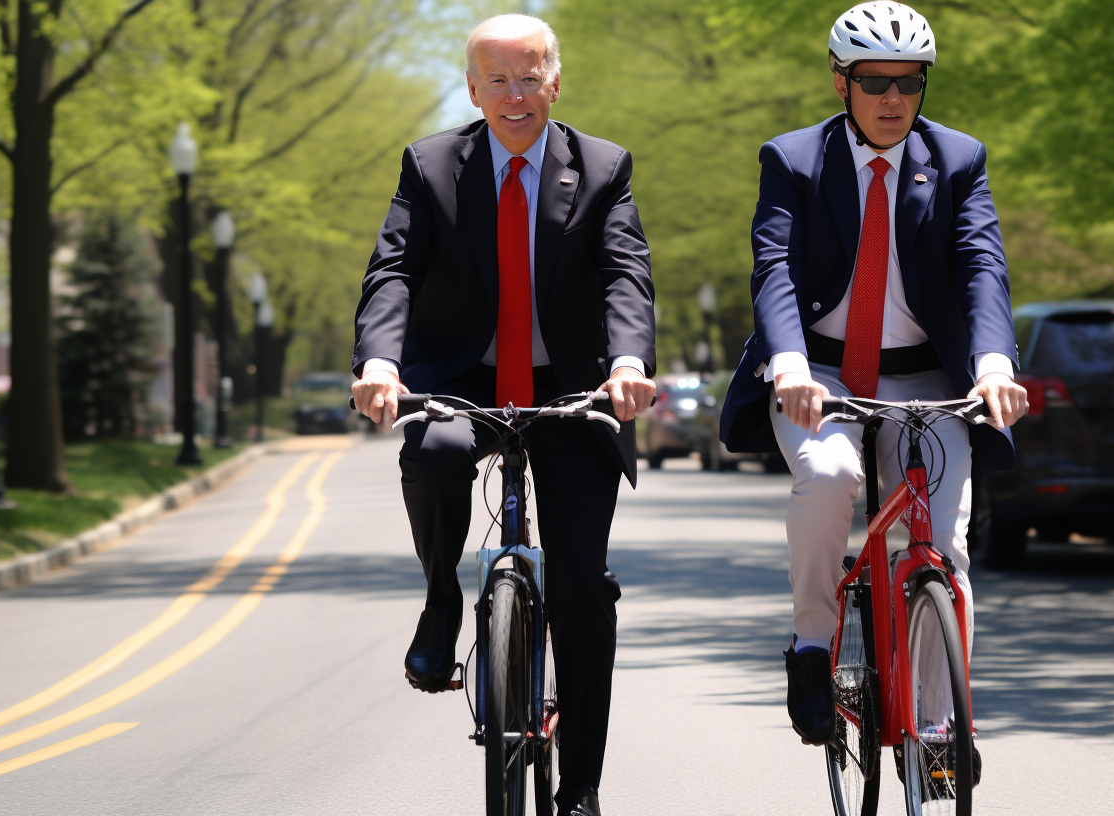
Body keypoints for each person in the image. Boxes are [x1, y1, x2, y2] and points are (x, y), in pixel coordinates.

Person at [350, 14, 656, 816]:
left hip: (572, 388)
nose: (515, 96)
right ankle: (443, 600)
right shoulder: (430, 166)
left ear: (556, 81)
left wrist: (628, 363)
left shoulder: (602, 167)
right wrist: (380, 361)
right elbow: (393, 271)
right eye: (498, 79)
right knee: (434, 452)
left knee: (584, 586)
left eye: (530, 77)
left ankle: (582, 786)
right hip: (464, 378)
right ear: (473, 85)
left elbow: (625, 274)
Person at [718, 0, 1028, 776]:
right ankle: (813, 644)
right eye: (874, 82)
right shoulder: (793, 159)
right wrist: (787, 365)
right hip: (818, 372)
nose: (893, 99)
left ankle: (935, 730)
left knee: (941, 546)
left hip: (926, 374)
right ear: (841, 84)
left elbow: (982, 268)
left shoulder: (957, 159)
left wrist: (994, 365)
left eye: (910, 83)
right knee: (828, 476)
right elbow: (775, 269)